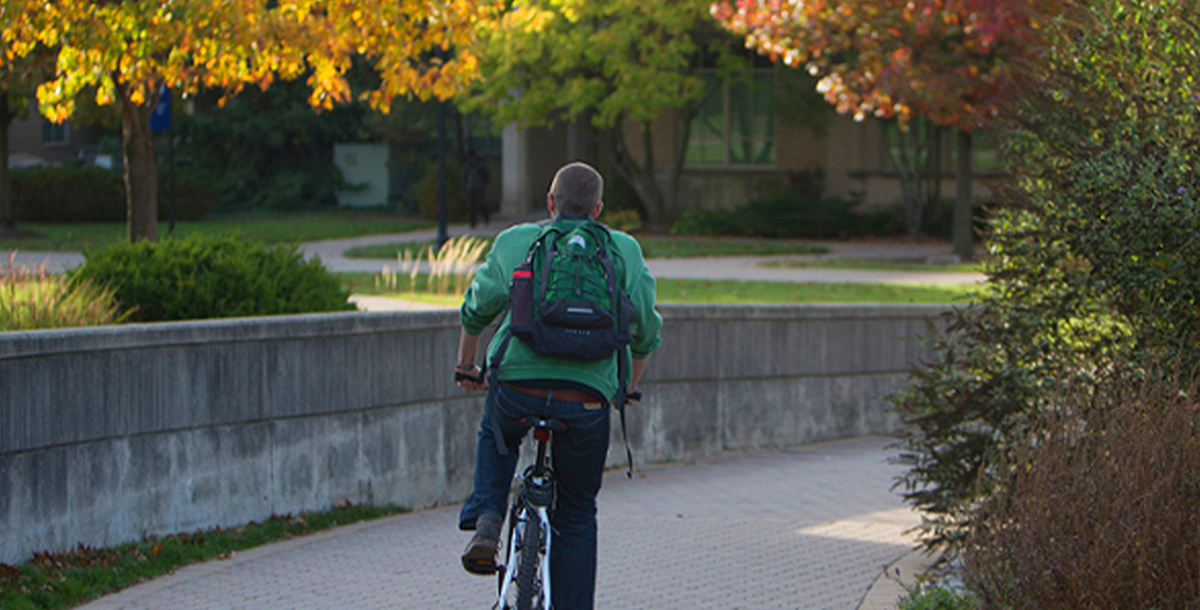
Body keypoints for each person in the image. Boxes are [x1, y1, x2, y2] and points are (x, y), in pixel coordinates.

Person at [454, 162, 663, 610]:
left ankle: (488, 519)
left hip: (517, 387)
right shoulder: (623, 249)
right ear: (598, 209)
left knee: (497, 431)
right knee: (576, 512)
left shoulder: (517, 241)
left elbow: (476, 308)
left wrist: (467, 362)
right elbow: (646, 333)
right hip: (585, 401)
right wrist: (624, 388)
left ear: (550, 203)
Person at [462, 150, 490, 228]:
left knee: (480, 204)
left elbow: (485, 175)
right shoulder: (467, 166)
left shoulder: (480, 166)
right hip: (471, 188)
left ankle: (486, 216)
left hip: (479, 187)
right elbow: (464, 177)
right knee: (471, 206)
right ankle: (472, 222)